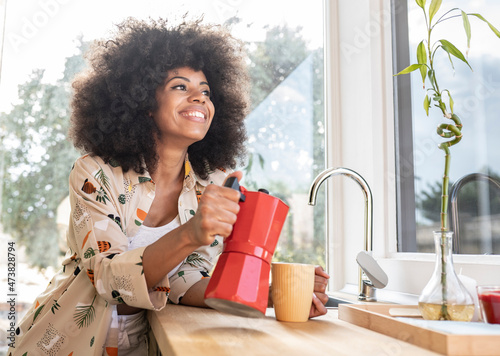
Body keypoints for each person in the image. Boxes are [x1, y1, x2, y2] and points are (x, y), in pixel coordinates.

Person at [8, 18, 329, 356]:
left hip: (150, 342)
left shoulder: (211, 186)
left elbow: (184, 281)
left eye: (206, 91)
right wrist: (191, 232)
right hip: (65, 341)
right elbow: (108, 279)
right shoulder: (95, 174)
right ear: (144, 102)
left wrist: (269, 291)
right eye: (180, 87)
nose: (199, 99)